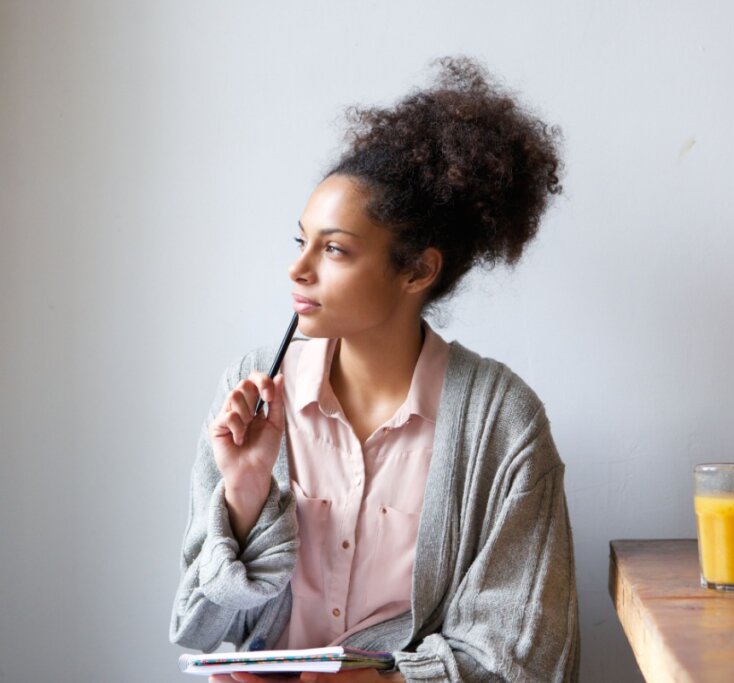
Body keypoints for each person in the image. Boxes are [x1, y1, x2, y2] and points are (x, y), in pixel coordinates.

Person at [169, 56, 580, 683]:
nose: (298, 269)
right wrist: (246, 497)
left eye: (334, 249)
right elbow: (199, 627)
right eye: (300, 240)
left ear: (417, 271)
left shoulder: (504, 422)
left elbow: (525, 655)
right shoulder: (249, 391)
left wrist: (388, 681)